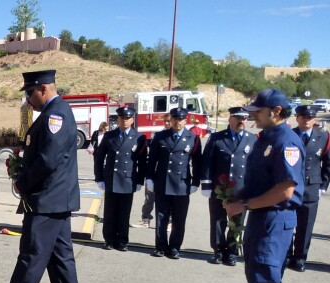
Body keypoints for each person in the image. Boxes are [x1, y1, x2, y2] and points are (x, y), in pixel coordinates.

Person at [0, 70, 83, 283]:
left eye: (29, 93)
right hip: (58, 199)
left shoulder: (55, 115)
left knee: (32, 254)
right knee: (60, 257)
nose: (28, 99)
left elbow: (47, 160)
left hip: (47, 199)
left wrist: (23, 181)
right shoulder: (55, 112)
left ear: (43, 89)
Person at [225, 88, 304, 283]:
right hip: (262, 215)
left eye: (257, 112)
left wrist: (244, 206)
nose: (252, 116)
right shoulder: (266, 138)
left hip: (274, 218)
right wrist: (238, 196)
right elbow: (260, 180)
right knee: (265, 277)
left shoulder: (286, 142)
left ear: (276, 112)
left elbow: (284, 191)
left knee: (263, 280)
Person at [200, 107, 256, 266]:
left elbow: (255, 167)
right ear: (230, 118)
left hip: (241, 190)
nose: (242, 121)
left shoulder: (252, 139)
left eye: (244, 118)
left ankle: (232, 252)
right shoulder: (217, 138)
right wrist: (206, 184)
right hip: (220, 188)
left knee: (236, 222)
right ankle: (218, 251)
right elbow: (207, 162)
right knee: (218, 220)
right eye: (238, 118)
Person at [146, 107, 203, 259]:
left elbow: (197, 162)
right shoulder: (160, 136)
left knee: (179, 219)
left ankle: (175, 247)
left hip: (182, 184)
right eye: (175, 119)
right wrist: (149, 178)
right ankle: (160, 247)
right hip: (163, 182)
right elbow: (152, 160)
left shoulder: (193, 138)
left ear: (186, 120)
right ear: (170, 119)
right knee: (161, 217)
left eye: (181, 119)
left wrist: (195, 182)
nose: (178, 122)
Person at [94, 107, 146, 251]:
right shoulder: (110, 135)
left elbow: (142, 162)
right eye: (122, 118)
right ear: (118, 119)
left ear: (132, 120)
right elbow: (99, 157)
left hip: (128, 180)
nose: (125, 121)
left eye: (128, 118)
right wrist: (99, 178)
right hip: (111, 179)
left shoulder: (139, 137)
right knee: (110, 212)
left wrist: (140, 181)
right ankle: (109, 240)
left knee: (124, 213)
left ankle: (122, 241)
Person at [286, 104, 330, 272]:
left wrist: (323, 184)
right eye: (304, 117)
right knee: (288, 223)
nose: (307, 120)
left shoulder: (324, 137)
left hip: (312, 187)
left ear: (315, 119)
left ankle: (299, 258)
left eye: (310, 117)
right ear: (297, 118)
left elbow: (328, 162)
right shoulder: (289, 135)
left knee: (306, 226)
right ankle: (286, 255)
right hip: (290, 187)